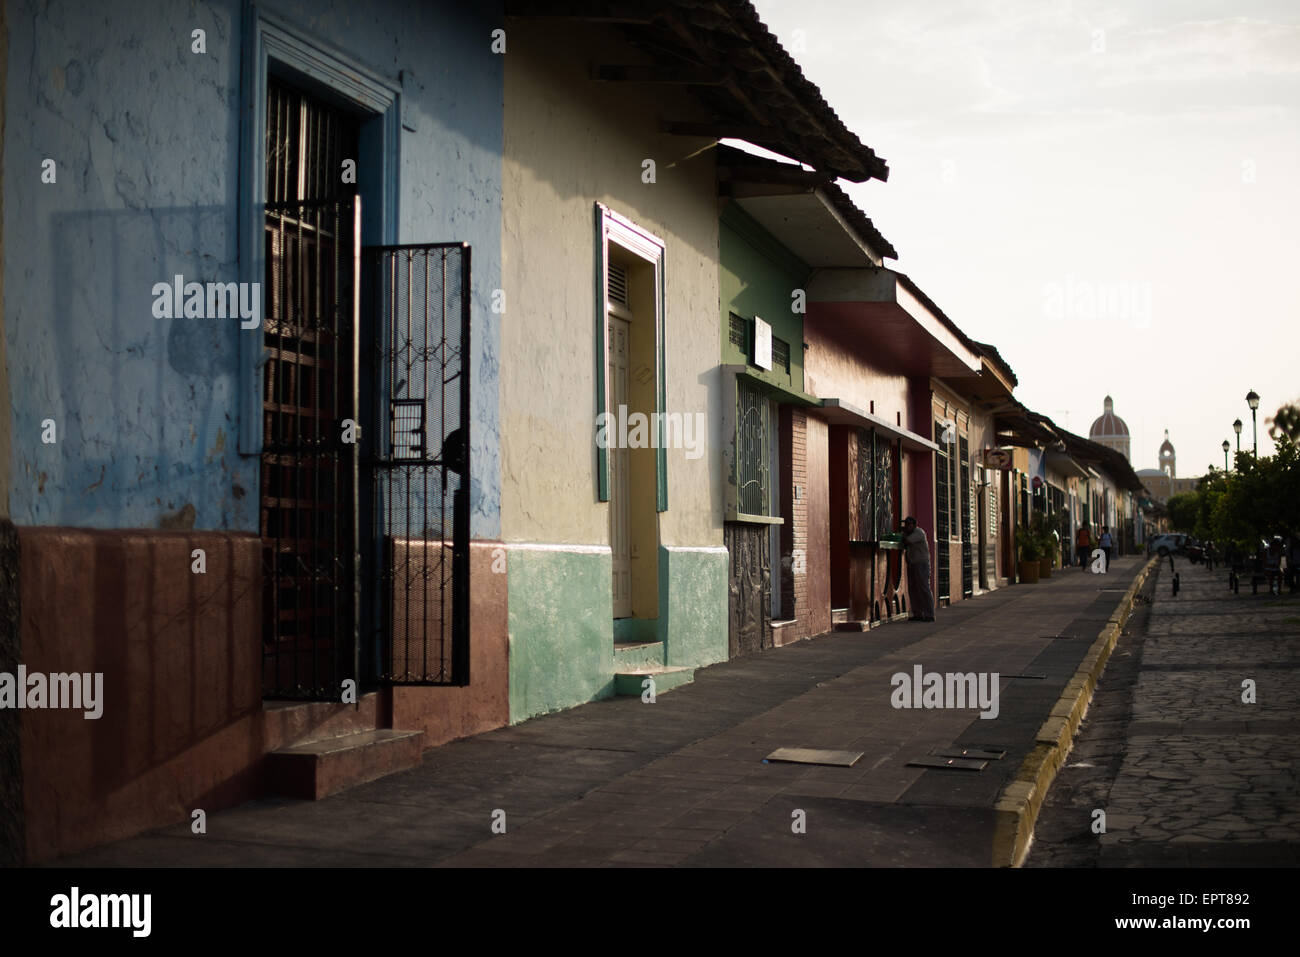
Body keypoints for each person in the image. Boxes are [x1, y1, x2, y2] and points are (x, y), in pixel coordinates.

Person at [901, 516, 935, 622]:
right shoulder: (910, 533)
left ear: (914, 525)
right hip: (912, 563)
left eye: (909, 524)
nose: (907, 526)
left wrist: (902, 533)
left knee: (923, 588)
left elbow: (907, 541)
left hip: (921, 564)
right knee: (913, 589)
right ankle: (918, 613)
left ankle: (929, 614)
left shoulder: (919, 533)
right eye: (906, 524)